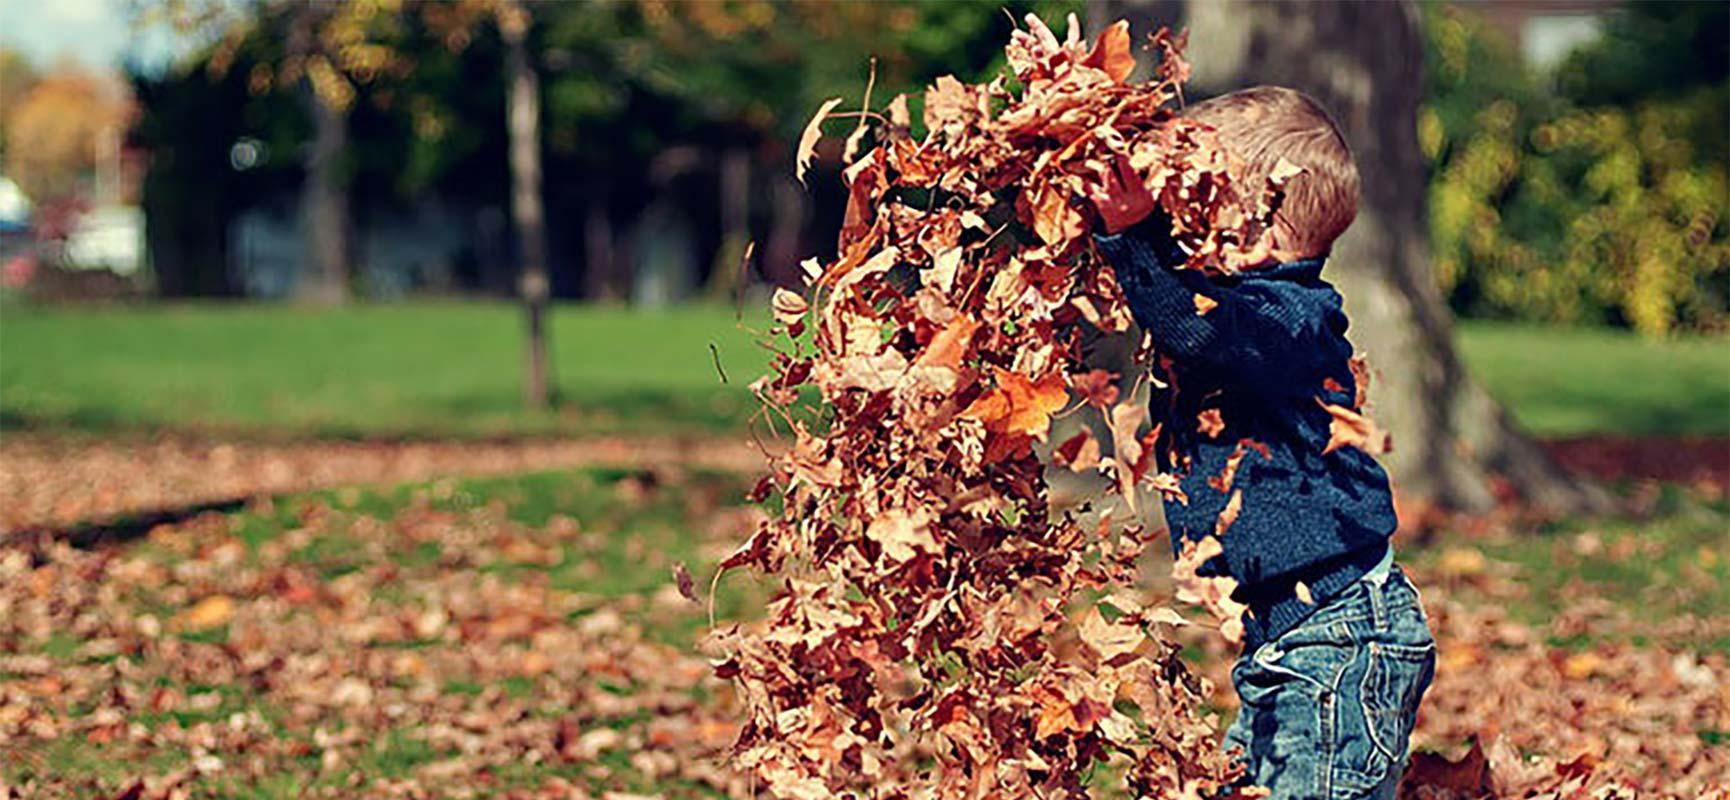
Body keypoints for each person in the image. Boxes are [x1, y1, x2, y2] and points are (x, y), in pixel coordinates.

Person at [1087, 86, 1436, 799]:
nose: (1179, 222)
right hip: (1289, 641)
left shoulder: (1288, 320)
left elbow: (1199, 327)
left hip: (1337, 645)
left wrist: (1135, 237)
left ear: (1262, 228)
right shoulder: (1254, 313)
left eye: (1197, 203)